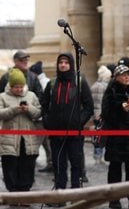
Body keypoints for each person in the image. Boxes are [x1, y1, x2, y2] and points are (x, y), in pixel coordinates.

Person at [40, 52, 94, 194]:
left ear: (71, 64)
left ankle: (75, 194)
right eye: (60, 62)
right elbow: (44, 104)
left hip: (74, 133)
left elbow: (89, 106)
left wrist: (79, 122)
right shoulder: (52, 83)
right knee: (59, 165)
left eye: (66, 62)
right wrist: (47, 121)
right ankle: (60, 195)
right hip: (56, 133)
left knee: (76, 165)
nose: (63, 65)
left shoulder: (80, 82)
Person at [0, 68, 41, 194]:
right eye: (16, 87)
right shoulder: (2, 97)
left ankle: (25, 194)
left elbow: (38, 113)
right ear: (11, 86)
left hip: (28, 140)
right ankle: (13, 194)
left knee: (27, 168)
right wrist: (13, 110)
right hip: (9, 141)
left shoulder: (31, 96)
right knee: (10, 168)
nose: (19, 89)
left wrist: (29, 109)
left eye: (21, 86)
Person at [102, 64, 129, 209]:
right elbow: (106, 114)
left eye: (128, 74)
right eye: (124, 75)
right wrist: (121, 108)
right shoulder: (111, 92)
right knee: (115, 170)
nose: (127, 77)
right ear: (117, 77)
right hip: (116, 139)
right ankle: (114, 200)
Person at [89, 65, 112, 165]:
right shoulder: (104, 87)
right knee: (101, 136)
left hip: (96, 114)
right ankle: (99, 156)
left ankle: (97, 156)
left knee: (97, 135)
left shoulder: (94, 85)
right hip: (101, 114)